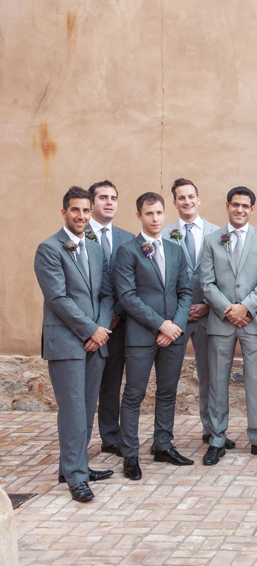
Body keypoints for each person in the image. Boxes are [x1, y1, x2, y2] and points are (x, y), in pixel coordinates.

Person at [34, 186, 114, 502]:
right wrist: (90, 330)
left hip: (96, 340)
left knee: (86, 407)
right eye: (75, 210)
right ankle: (77, 478)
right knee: (72, 410)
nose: (81, 216)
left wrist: (102, 328)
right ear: (64, 212)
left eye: (85, 210)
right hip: (67, 342)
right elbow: (58, 298)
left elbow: (106, 294)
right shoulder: (49, 248)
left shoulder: (94, 248)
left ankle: (74, 466)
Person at [201, 186, 257, 465]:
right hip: (221, 322)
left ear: (252, 209)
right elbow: (207, 282)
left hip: (254, 321)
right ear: (227, 206)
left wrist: (245, 307)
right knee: (217, 382)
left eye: (245, 206)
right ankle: (216, 439)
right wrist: (229, 310)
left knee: (254, 383)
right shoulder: (212, 240)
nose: (239, 210)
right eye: (235, 205)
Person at [114, 192, 194, 479]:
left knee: (167, 392)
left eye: (159, 213)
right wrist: (161, 325)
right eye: (149, 213)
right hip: (141, 335)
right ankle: (130, 455)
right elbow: (127, 297)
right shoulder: (127, 251)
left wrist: (176, 326)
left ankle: (163, 445)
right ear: (139, 216)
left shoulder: (175, 250)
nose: (156, 218)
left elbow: (186, 292)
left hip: (174, 335)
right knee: (134, 394)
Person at [161, 179, 226, 449]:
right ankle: (163, 437)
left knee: (210, 376)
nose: (187, 201)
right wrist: (179, 310)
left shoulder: (219, 233)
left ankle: (212, 430)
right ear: (174, 203)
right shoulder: (163, 234)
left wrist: (210, 305)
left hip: (209, 315)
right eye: (181, 198)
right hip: (176, 318)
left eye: (191, 197)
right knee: (168, 378)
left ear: (198, 200)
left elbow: (226, 274)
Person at [88, 180, 135, 458]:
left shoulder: (127, 238)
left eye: (113, 197)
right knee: (86, 385)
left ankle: (110, 436)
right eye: (103, 197)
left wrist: (116, 313)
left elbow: (131, 281)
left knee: (112, 382)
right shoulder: (80, 236)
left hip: (118, 323)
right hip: (87, 324)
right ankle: (78, 438)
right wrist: (95, 322)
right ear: (91, 202)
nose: (109, 202)